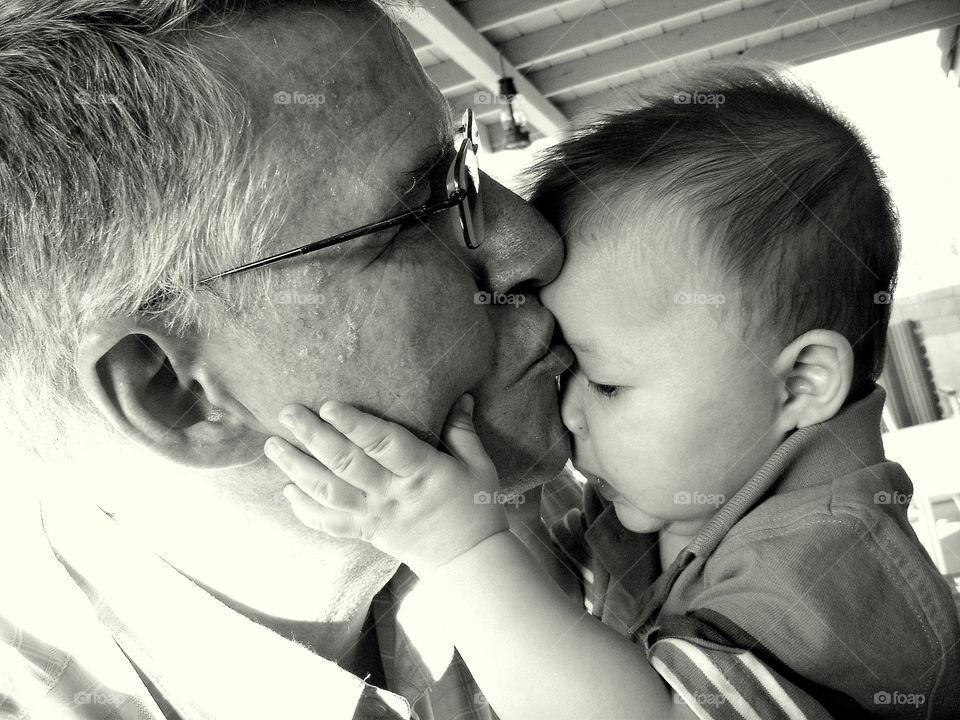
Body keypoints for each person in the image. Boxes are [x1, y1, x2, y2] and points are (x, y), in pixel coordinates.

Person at [265, 66, 960, 719]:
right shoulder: (701, 495)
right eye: (565, 372)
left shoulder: (828, 572)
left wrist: (458, 549)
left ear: (801, 383)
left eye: (606, 383)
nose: (569, 411)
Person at [0, 1, 573, 718]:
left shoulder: (592, 504)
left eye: (461, 170)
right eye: (415, 211)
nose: (534, 243)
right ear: (174, 392)